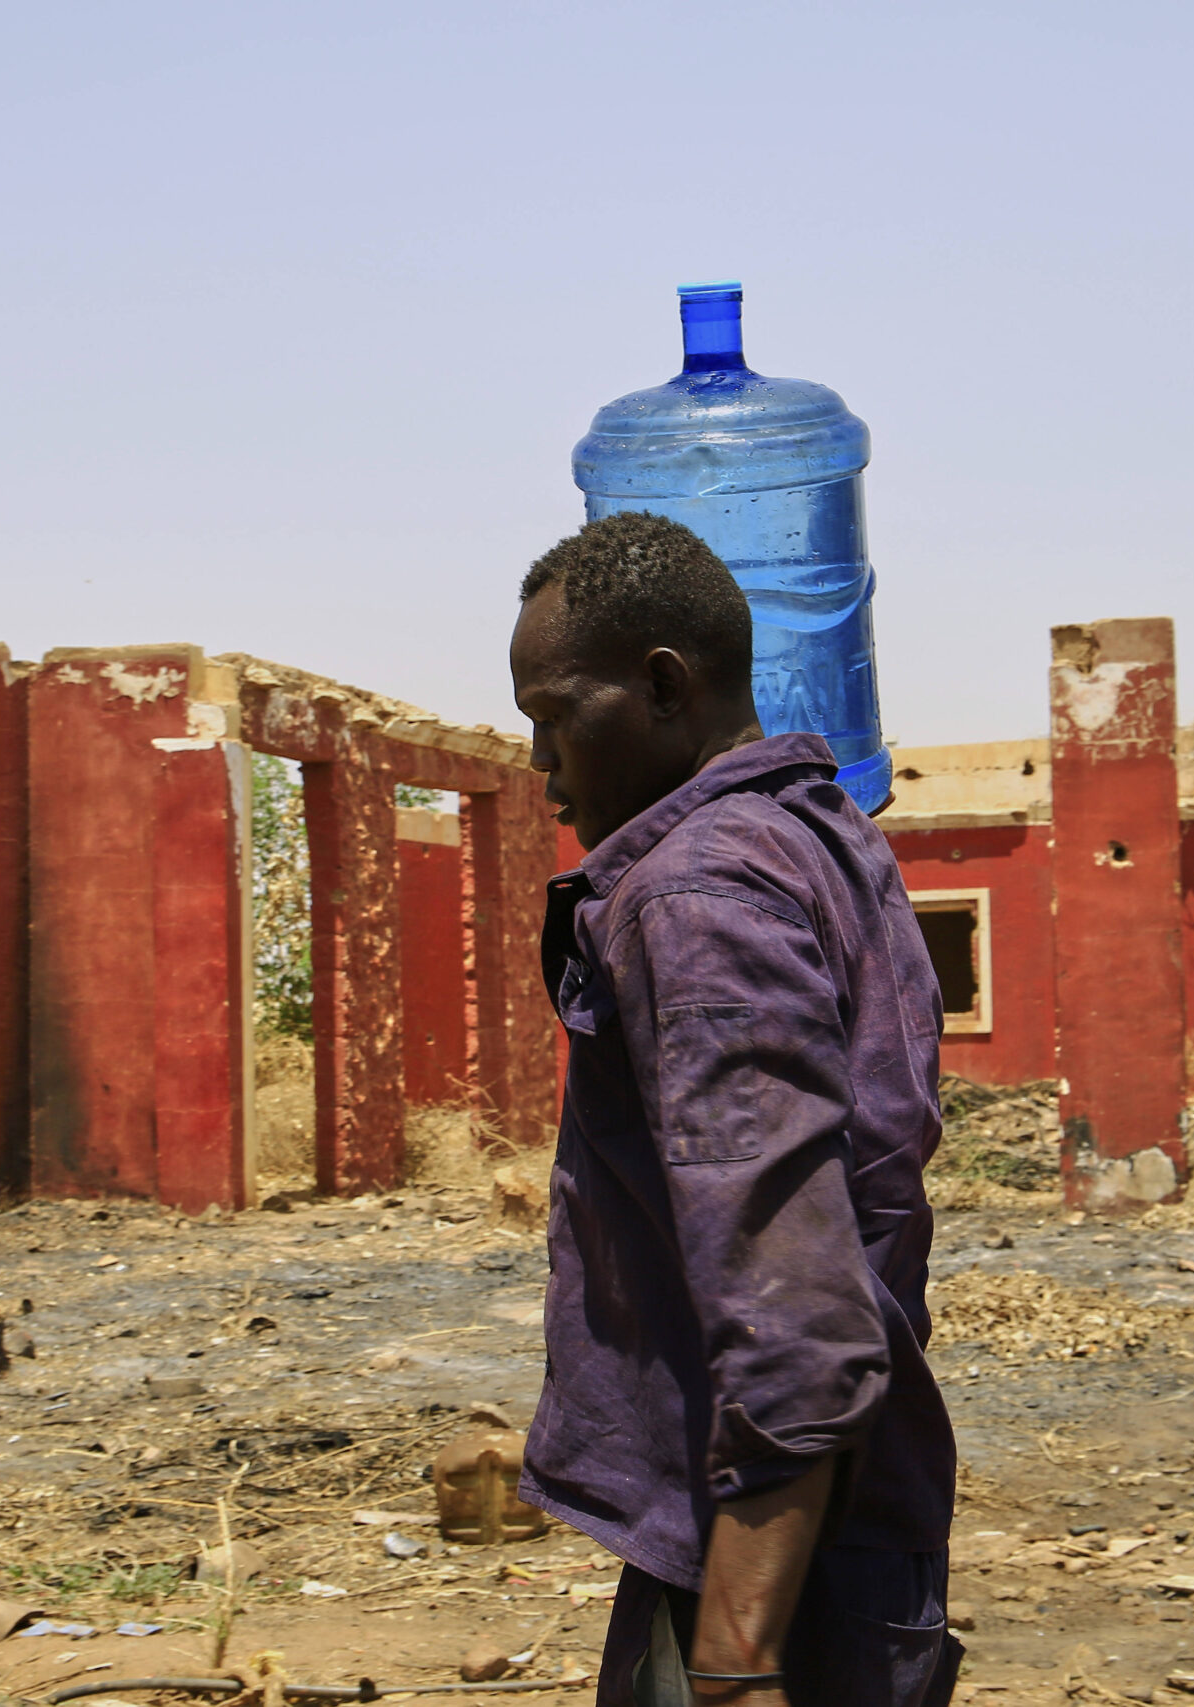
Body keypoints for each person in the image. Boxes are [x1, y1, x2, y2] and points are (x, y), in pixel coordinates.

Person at [508, 512, 960, 1707]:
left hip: (768, 1557)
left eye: (555, 718)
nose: (542, 766)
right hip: (819, 1514)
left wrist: (737, 1650)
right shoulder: (820, 837)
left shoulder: (696, 895)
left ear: (663, 685)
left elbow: (785, 1287)